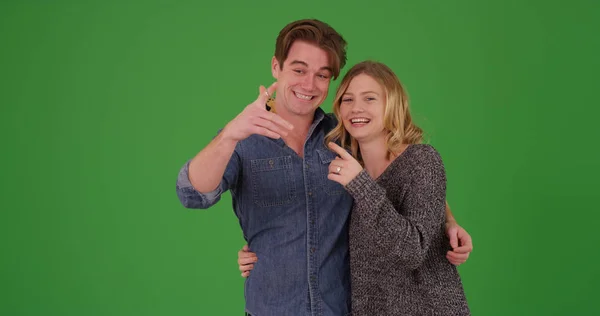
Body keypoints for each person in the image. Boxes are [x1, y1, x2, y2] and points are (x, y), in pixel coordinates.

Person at [176, 19, 472, 316]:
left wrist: (446, 221)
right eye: (299, 70)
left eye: (322, 75)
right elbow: (192, 194)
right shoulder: (242, 138)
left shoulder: (344, 137)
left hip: (341, 309)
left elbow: (399, 171)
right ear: (276, 67)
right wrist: (229, 134)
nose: (309, 84)